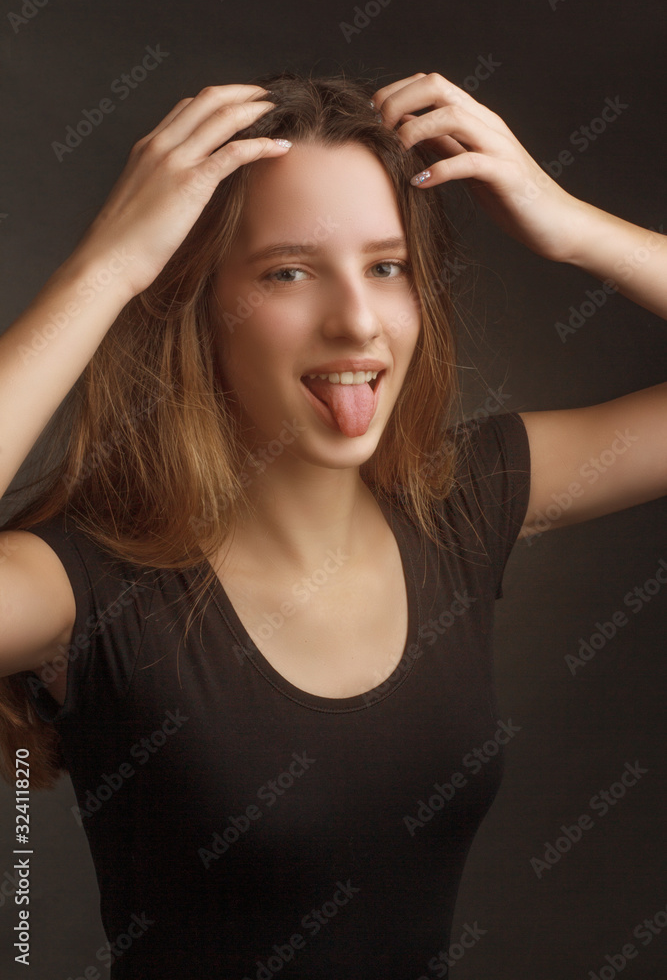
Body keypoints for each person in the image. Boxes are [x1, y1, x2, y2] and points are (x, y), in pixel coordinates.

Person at [0, 69, 664, 978]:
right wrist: (105, 269)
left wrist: (572, 226)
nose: (358, 322)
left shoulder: (460, 501)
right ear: (197, 305)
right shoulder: (82, 584)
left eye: (386, 267)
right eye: (289, 272)